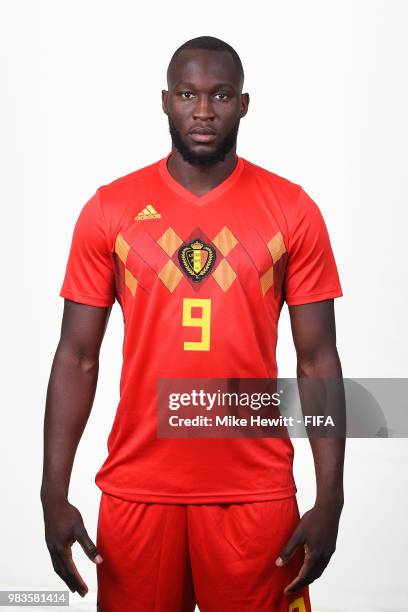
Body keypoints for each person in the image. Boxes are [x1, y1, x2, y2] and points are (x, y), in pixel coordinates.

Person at [41, 35, 345, 612]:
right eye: (188, 94)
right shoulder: (111, 208)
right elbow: (76, 356)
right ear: (164, 102)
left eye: (220, 95)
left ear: (244, 104)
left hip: (256, 497)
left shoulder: (292, 209)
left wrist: (331, 496)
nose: (203, 111)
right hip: (137, 492)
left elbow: (317, 360)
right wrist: (52, 490)